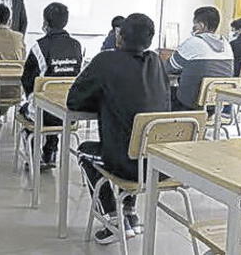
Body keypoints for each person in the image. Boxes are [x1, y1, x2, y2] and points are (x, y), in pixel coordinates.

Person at [67, 13, 171, 244]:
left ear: (119, 36)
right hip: (160, 164)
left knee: (85, 151)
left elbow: (73, 101)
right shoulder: (157, 63)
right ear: (150, 40)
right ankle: (130, 214)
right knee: (137, 145)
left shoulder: (105, 61)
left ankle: (114, 219)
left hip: (127, 163)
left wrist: (103, 101)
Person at [19, 3, 83, 167]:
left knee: (28, 109)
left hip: (43, 114)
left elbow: (27, 80)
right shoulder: (76, 46)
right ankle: (51, 151)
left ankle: (35, 156)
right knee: (54, 104)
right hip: (69, 113)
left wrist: (30, 98)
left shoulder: (39, 47)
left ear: (45, 22)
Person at [165, 6, 233, 111]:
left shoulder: (194, 42)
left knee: (162, 93)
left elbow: (168, 67)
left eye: (194, 24)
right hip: (217, 107)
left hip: (190, 106)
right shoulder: (226, 44)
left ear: (201, 25)